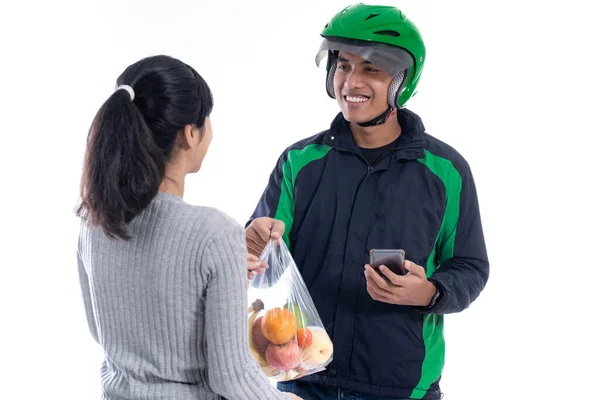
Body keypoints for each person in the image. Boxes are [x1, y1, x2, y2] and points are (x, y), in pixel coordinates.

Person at [245, 4, 489, 400]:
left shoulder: (445, 172)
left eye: (371, 69)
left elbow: (470, 267)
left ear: (402, 81)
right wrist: (252, 245)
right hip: (303, 374)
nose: (350, 81)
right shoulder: (300, 162)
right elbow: (266, 257)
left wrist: (428, 292)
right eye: (342, 66)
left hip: (400, 385)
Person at [76, 55, 300, 400]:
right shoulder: (214, 232)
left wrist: (216, 271)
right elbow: (233, 377)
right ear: (190, 133)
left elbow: (105, 332)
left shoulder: (93, 219)